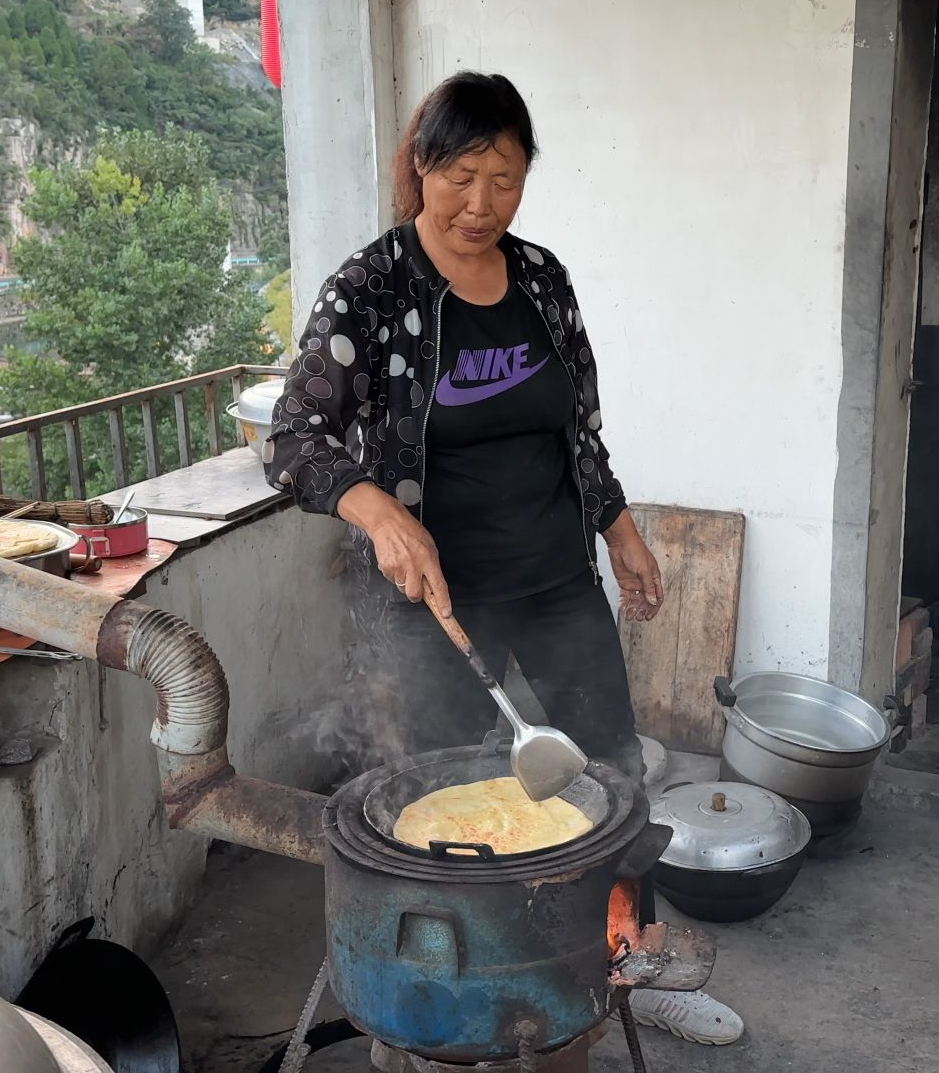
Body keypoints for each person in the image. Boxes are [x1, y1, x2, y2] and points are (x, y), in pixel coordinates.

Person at [263, 71, 744, 1047]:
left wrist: (620, 531)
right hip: (431, 606)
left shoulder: (540, 279)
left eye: (507, 179)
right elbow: (294, 437)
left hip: (557, 586)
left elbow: (581, 431)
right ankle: (458, 1001)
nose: (482, 204)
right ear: (421, 167)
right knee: (441, 812)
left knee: (610, 782)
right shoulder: (373, 289)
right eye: (462, 176)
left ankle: (630, 961)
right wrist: (378, 514)